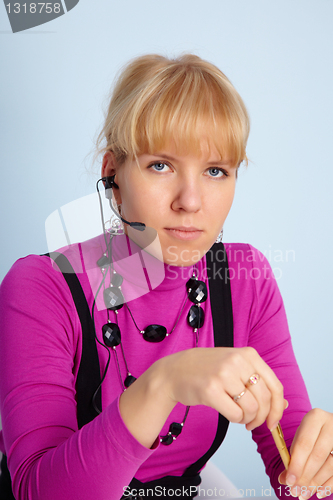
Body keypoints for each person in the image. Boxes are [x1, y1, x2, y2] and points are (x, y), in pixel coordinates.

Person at [0, 53, 332, 500]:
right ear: (112, 173)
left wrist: (319, 467)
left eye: (216, 171)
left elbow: (296, 477)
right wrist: (165, 382)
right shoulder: (40, 286)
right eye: (161, 165)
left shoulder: (245, 279)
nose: (191, 201)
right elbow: (39, 493)